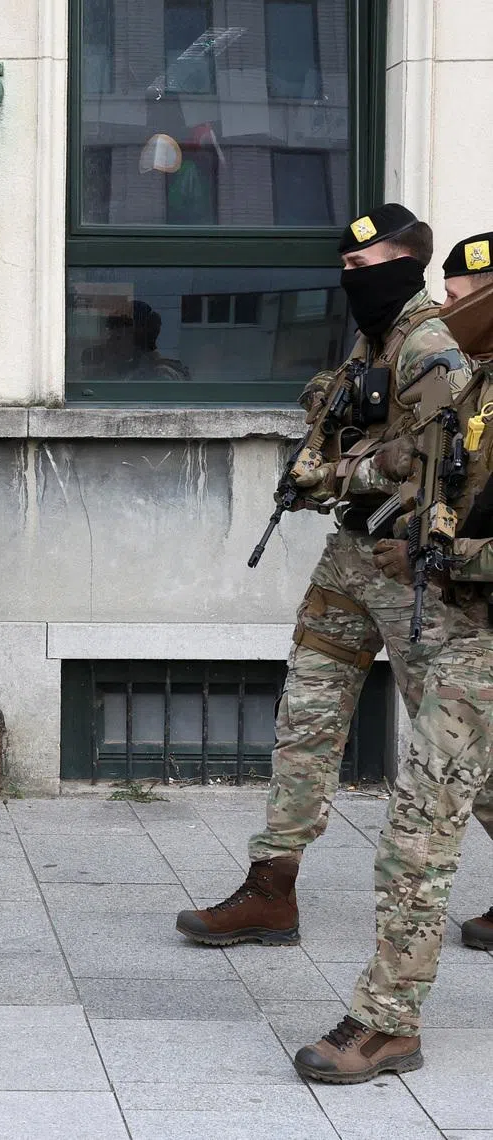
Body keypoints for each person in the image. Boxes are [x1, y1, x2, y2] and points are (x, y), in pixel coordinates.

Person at [177, 203, 477, 947]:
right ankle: (271, 887)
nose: (350, 282)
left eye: (363, 270)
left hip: (411, 569)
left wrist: (345, 473)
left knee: (462, 741)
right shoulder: (367, 344)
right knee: (305, 721)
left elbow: (443, 465)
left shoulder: (433, 348)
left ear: (407, 264)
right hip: (348, 559)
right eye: (344, 270)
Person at [294, 234, 493, 1082]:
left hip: (474, 634)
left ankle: (388, 1021)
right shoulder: (473, 383)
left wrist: (446, 559)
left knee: (418, 830)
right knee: (452, 802)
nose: (454, 295)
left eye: (471, 284)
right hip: (456, 626)